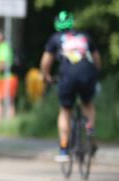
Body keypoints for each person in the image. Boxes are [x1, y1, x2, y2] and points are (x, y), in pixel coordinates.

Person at [40, 10, 102, 162]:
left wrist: (46, 76)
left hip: (67, 76)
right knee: (87, 104)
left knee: (65, 110)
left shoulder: (55, 38)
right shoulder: (85, 36)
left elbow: (46, 61)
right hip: (87, 73)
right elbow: (96, 59)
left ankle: (63, 149)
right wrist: (96, 74)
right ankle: (89, 130)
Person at [0, 30, 18, 121]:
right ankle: (11, 123)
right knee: (10, 101)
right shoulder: (7, 47)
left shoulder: (2, 47)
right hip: (11, 77)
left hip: (4, 79)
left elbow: (1, 64)